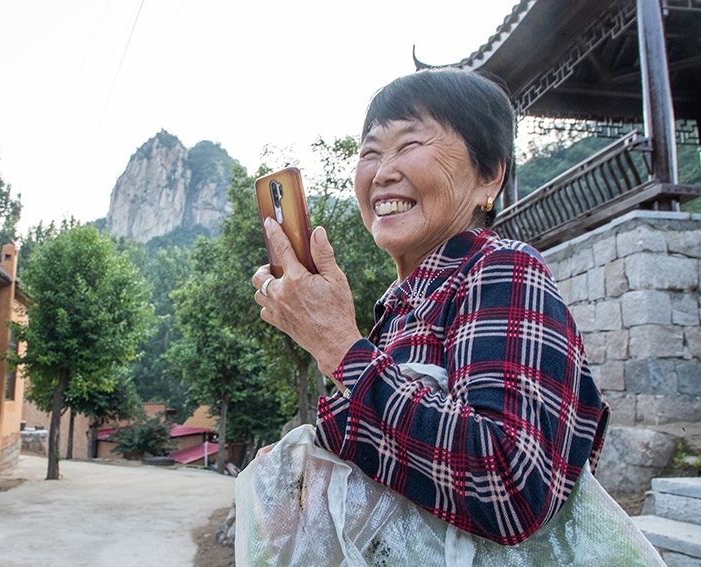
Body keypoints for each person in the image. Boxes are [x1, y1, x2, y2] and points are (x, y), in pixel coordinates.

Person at [251, 68, 610, 546]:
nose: (382, 173)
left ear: (490, 175)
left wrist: (336, 344)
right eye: (370, 153)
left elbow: (509, 485)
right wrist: (307, 474)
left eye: (409, 145)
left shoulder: (501, 268)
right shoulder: (395, 313)